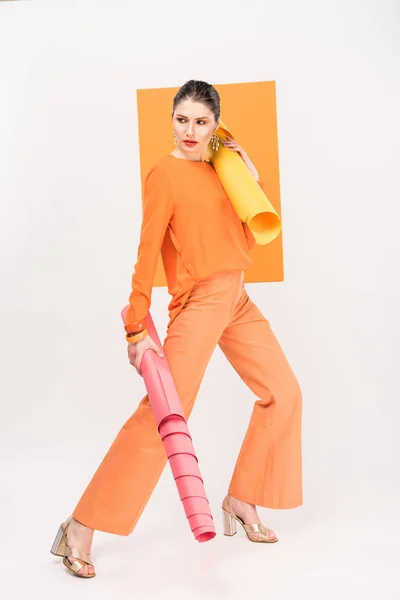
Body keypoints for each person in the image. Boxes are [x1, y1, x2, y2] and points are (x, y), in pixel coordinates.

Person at [50, 80, 302, 578]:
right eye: (182, 119)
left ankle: (242, 498)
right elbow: (146, 253)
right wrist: (134, 327)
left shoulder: (219, 171)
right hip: (200, 302)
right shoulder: (164, 173)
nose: (190, 130)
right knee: (164, 413)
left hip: (238, 298)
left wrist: (249, 175)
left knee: (284, 392)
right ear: (172, 119)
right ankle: (80, 526)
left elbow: (253, 235)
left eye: (201, 122)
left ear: (215, 125)